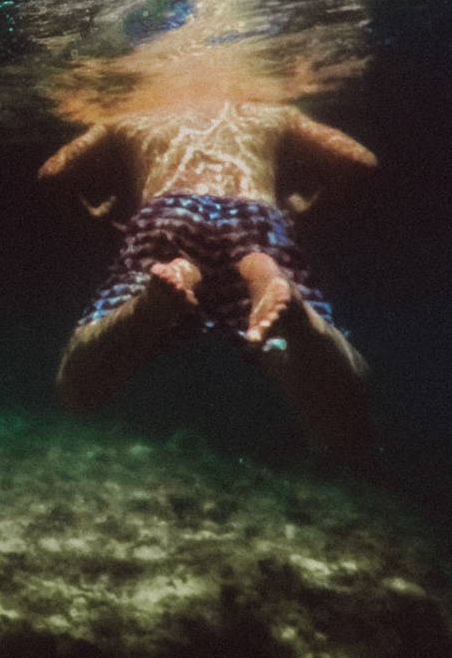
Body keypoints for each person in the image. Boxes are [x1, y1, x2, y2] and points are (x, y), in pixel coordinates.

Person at [40, 100, 377, 452]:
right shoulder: (271, 112)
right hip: (257, 216)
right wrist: (304, 217)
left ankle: (163, 289)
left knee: (78, 392)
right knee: (341, 424)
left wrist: (98, 226)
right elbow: (358, 160)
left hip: (169, 213)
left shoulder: (127, 116)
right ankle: (272, 283)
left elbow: (52, 173)